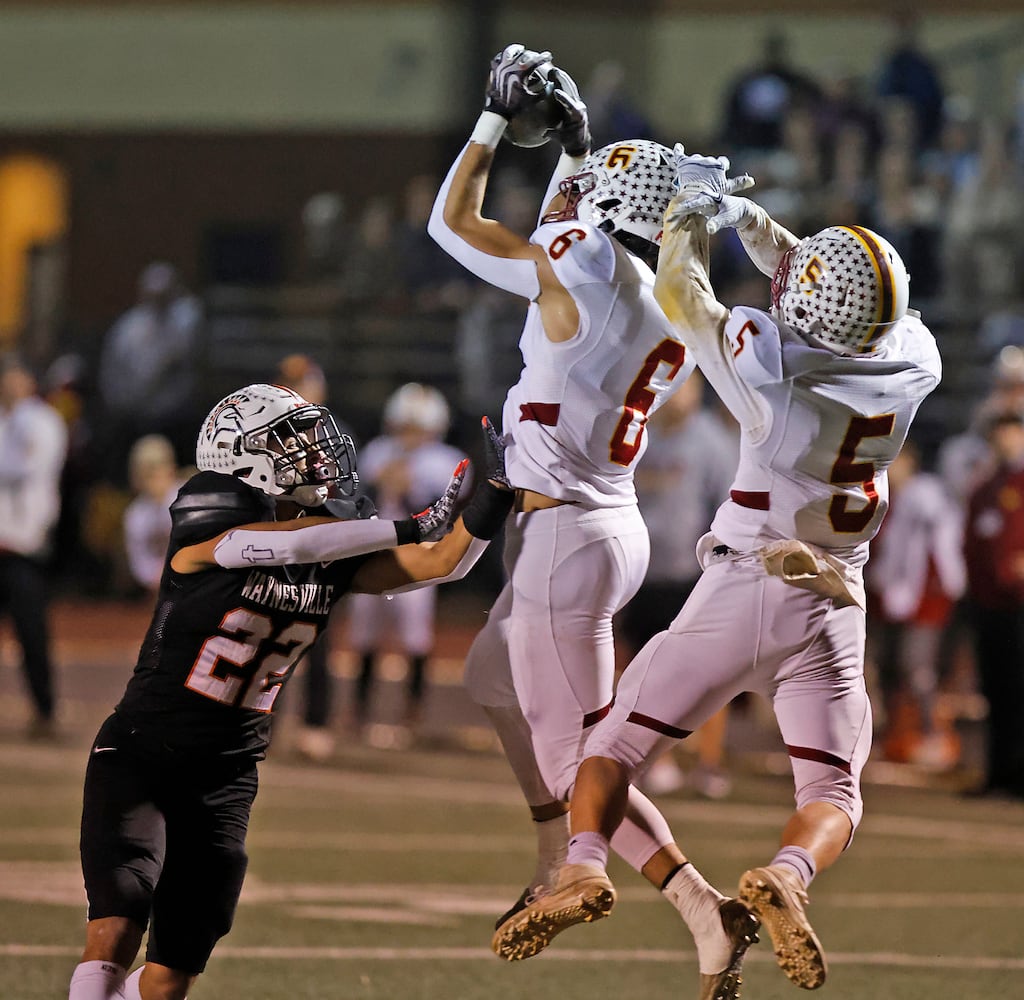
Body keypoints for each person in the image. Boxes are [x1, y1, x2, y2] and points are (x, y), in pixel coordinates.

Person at [502, 151, 941, 994]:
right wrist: (750, 221)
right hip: (834, 605)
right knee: (835, 792)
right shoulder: (914, 359)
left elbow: (682, 296)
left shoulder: (773, 368)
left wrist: (692, 220)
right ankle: (788, 877)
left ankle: (584, 865)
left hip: (749, 585)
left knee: (611, 749)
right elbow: (815, 284)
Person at [429, 45, 760, 1000]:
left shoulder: (574, 266)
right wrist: (576, 148)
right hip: (602, 521)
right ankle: (554, 853)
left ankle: (645, 888)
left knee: (584, 757)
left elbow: (453, 223)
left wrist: (492, 124)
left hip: (567, 535)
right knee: (490, 677)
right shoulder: (671, 305)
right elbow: (574, 234)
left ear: (605, 214)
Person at [67, 383, 512, 1000]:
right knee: (115, 928)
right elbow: (285, 546)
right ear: (244, 458)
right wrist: (407, 525)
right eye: (292, 443)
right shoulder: (212, 508)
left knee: (170, 976)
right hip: (146, 749)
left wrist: (493, 495)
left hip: (227, 773)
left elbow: (446, 564)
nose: (314, 455)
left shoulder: (333, 542)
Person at [619, 374, 739, 799]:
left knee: (706, 674)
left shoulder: (710, 441)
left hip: (692, 574)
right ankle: (657, 760)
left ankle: (709, 762)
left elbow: (732, 506)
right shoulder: (639, 435)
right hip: (642, 572)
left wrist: (723, 570)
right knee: (643, 673)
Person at [345, 382, 470, 747]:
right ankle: (359, 710)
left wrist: (411, 488)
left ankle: (412, 711)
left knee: (415, 635)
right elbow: (359, 496)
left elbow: (449, 507)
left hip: (419, 553)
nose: (411, 433)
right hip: (374, 551)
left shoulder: (445, 460)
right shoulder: (378, 451)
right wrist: (381, 482)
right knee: (364, 634)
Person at [865, 438, 965, 769]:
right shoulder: (883, 495)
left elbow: (941, 546)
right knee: (887, 665)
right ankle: (896, 733)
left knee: (916, 667)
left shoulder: (926, 495)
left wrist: (943, 586)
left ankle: (930, 732)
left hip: (925, 595)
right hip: (888, 594)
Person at [0, 354, 68, 739]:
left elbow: (29, 468)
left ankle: (44, 711)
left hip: (25, 546)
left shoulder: (41, 420)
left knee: (31, 632)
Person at [962, 404, 1024, 799]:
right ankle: (999, 772)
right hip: (990, 605)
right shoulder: (986, 487)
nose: (1003, 440)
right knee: (996, 691)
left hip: (1019, 603)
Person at [96, 262, 202, 480]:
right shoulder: (129, 326)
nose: (159, 299)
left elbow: (176, 357)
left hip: (175, 418)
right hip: (134, 417)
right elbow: (114, 371)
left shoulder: (186, 318)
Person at [122, 435, 184, 598]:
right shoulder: (135, 514)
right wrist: (157, 576)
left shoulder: (189, 499)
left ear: (171, 468)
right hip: (161, 590)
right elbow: (140, 563)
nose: (153, 476)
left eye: (157, 467)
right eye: (147, 471)